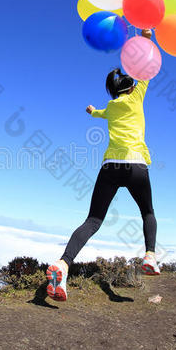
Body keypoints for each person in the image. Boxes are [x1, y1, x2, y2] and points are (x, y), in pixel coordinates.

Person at [46, 68, 160, 302]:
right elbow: (147, 70)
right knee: (147, 212)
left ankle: (63, 264)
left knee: (93, 220)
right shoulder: (136, 96)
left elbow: (98, 113)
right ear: (131, 88)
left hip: (110, 167)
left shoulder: (111, 107)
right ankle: (149, 255)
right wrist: (147, 38)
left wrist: (90, 111)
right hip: (136, 165)